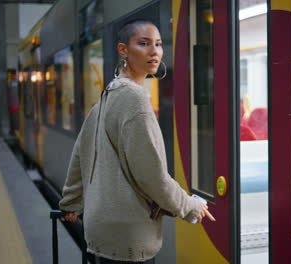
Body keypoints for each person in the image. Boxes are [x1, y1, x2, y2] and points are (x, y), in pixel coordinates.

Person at [59, 19, 215, 264]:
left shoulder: (107, 96)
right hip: (128, 233)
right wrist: (189, 206)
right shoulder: (135, 100)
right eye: (143, 43)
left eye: (158, 44)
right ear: (123, 50)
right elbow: (150, 174)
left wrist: (70, 203)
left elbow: (80, 155)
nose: (154, 51)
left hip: (101, 227)